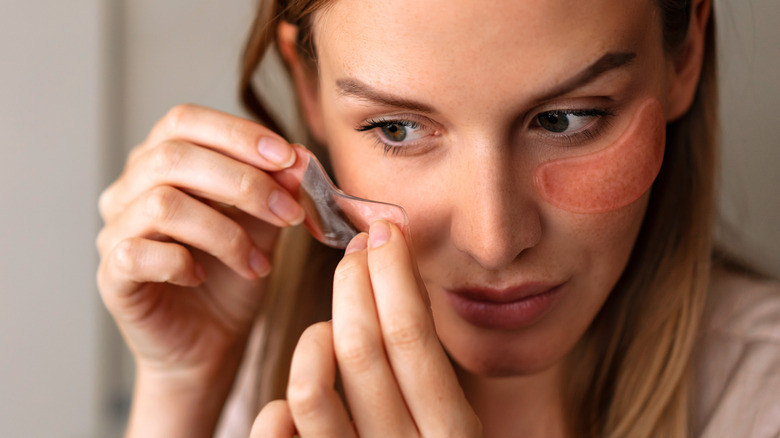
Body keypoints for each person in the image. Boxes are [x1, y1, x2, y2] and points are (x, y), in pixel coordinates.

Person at [96, 0, 780, 436]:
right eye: (396, 129)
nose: (492, 242)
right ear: (308, 89)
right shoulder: (255, 363)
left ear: (685, 53)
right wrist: (182, 392)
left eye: (566, 119)